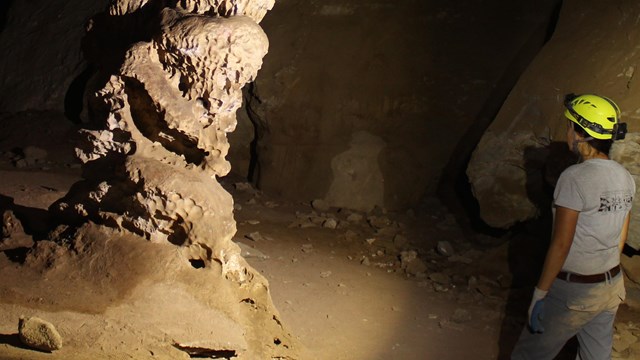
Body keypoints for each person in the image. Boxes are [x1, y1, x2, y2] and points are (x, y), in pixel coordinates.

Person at [511, 93, 635, 359]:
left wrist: (540, 294)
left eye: (570, 126)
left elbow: (561, 243)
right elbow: (620, 239)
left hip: (574, 292)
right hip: (611, 286)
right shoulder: (624, 176)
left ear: (581, 134)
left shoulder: (574, 178)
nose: (567, 132)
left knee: (529, 355)